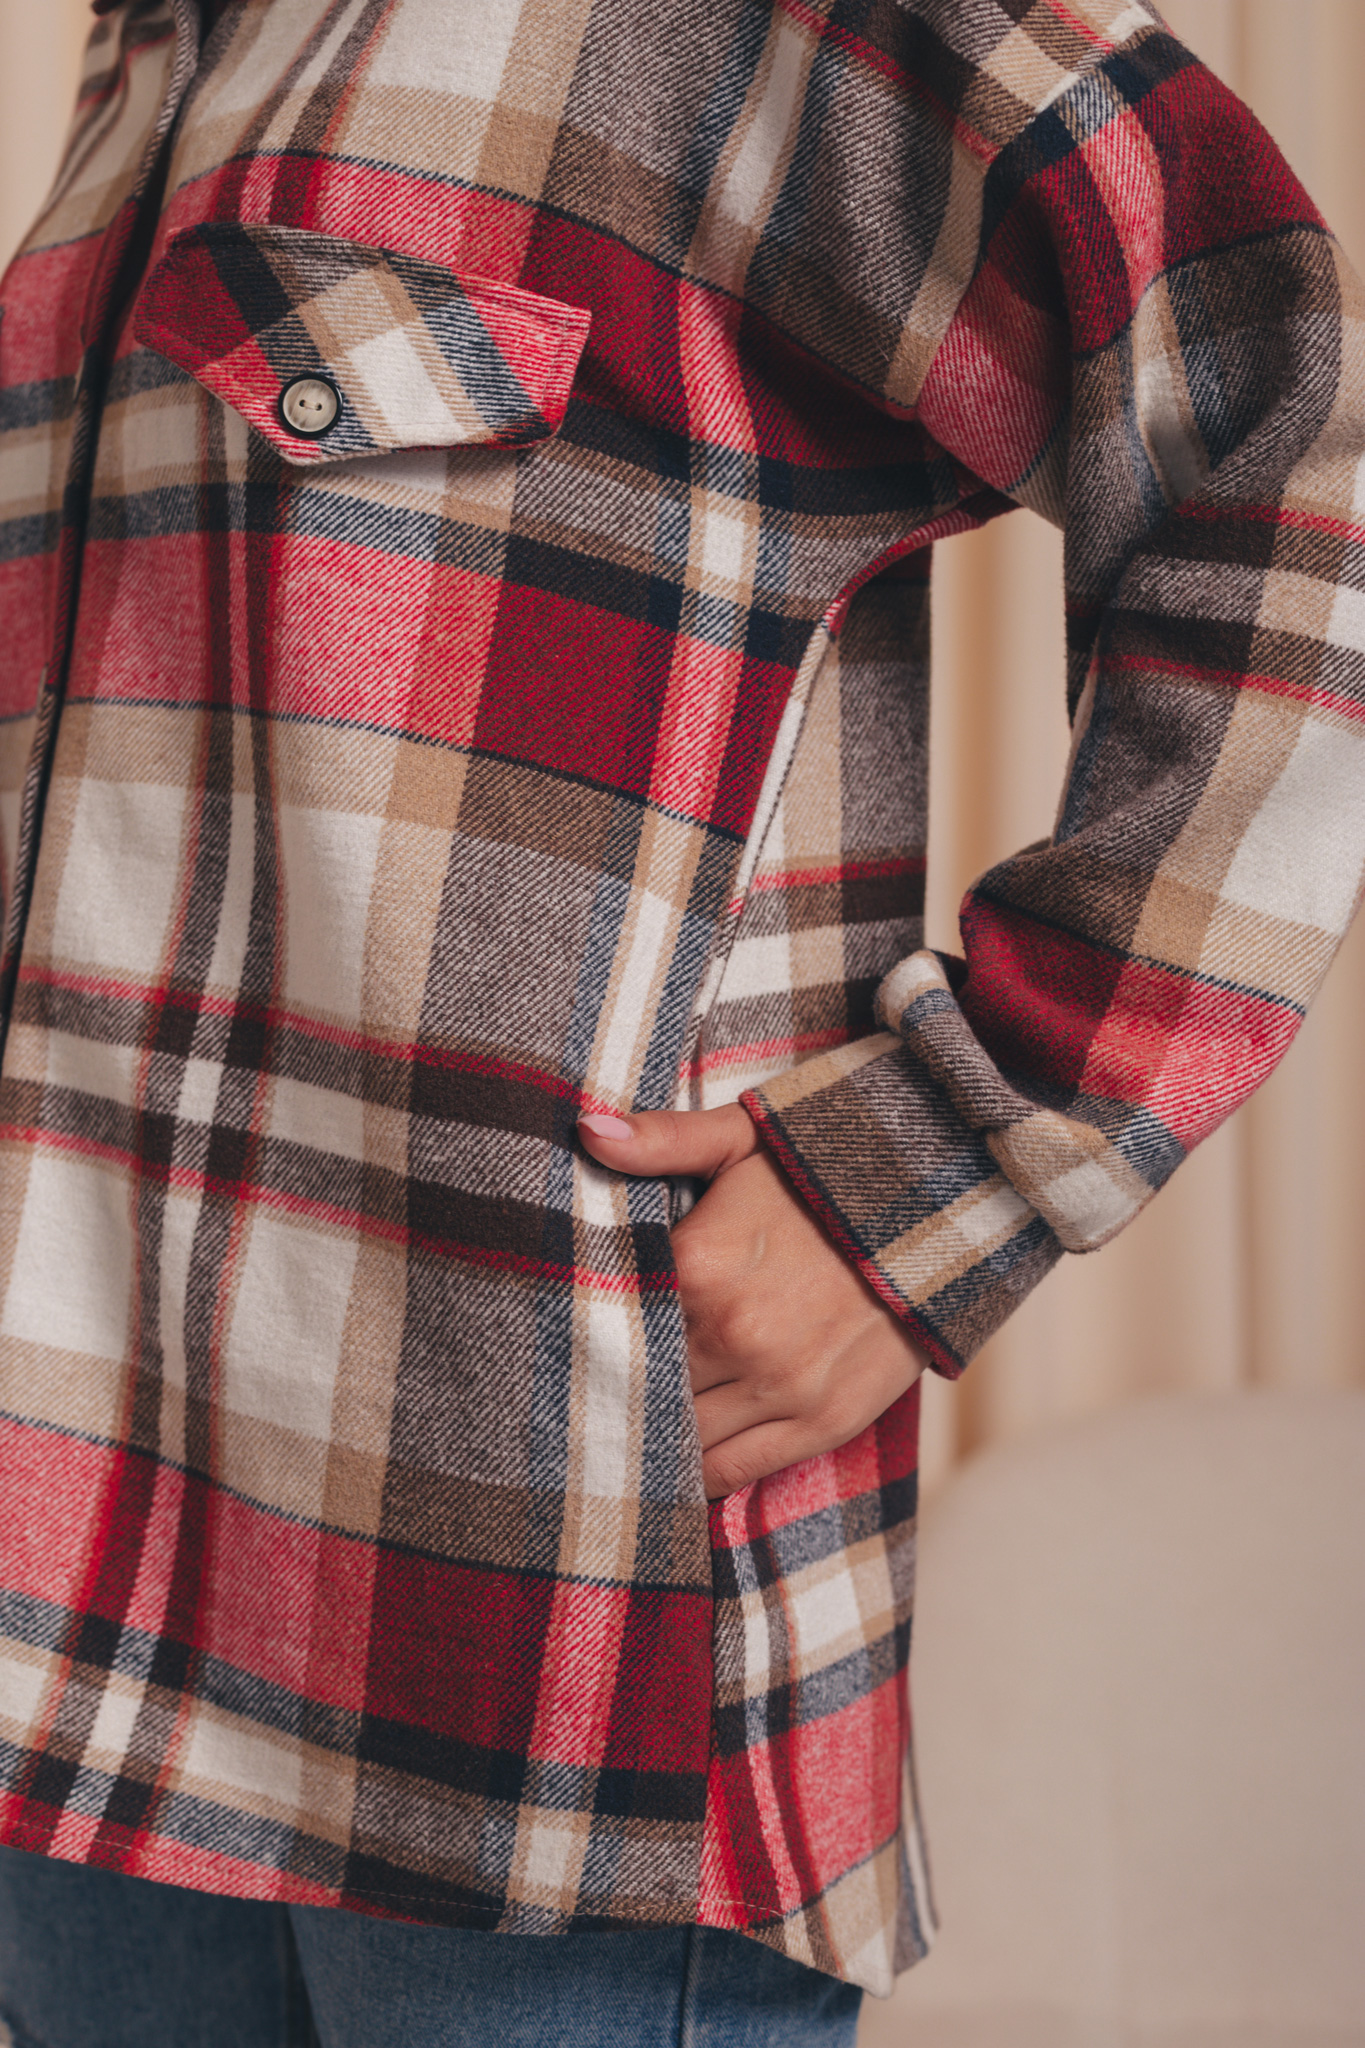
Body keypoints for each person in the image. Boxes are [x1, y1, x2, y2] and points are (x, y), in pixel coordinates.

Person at [1, 0, 1362, 2041]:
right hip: (70, 1618)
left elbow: (1292, 448)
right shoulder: (161, 47)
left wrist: (948, 1168)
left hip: (531, 1654)